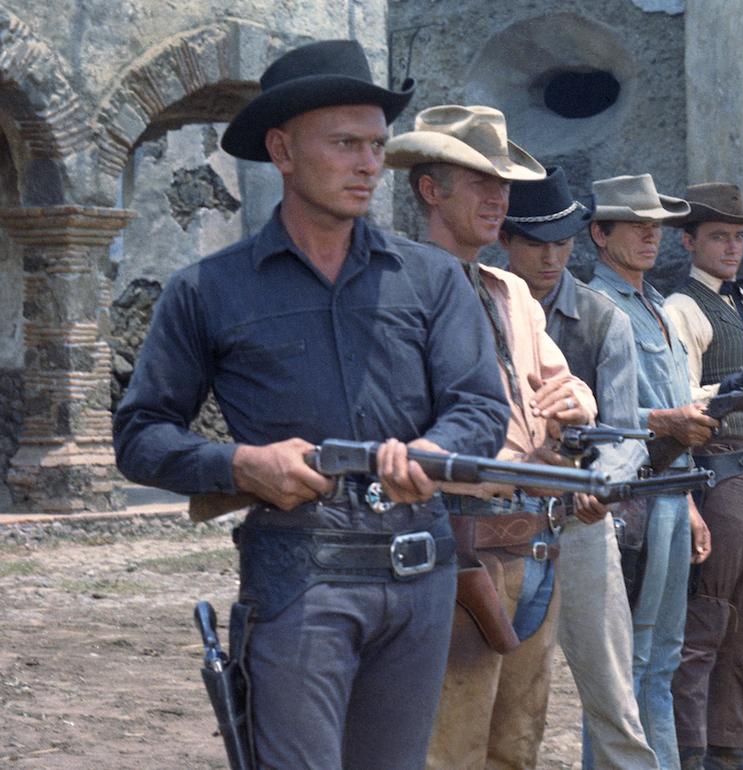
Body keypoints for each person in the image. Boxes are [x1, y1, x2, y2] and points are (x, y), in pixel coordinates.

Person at [112, 41, 510, 770]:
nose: (368, 165)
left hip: (418, 580)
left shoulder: (432, 280)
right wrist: (238, 463)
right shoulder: (208, 289)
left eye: (377, 146)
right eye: (346, 144)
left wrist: (430, 451)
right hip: (299, 580)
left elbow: (480, 407)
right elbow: (139, 436)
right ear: (283, 150)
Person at [385, 105, 598, 770]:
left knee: (517, 747)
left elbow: (569, 389)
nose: (498, 197)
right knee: (451, 748)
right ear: (430, 190)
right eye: (479, 180)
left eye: (502, 183)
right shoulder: (397, 285)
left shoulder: (511, 290)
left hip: (534, 539)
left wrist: (576, 404)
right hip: (455, 541)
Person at [499, 167, 661, 770]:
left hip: (580, 518)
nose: (551, 257)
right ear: (508, 242)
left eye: (563, 242)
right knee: (500, 690)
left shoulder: (602, 319)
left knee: (613, 690)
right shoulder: (480, 308)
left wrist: (602, 487)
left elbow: (625, 433)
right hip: (499, 522)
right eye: (537, 243)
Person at [587, 173, 713, 770]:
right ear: (599, 234)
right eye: (635, 225)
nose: (649, 235)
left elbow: (677, 407)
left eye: (656, 225)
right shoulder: (593, 307)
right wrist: (664, 422)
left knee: (662, 656)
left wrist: (688, 502)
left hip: (669, 492)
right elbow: (592, 410)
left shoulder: (659, 306)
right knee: (627, 663)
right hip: (626, 498)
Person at [664, 183, 743, 770]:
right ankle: (692, 750)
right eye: (718, 236)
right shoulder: (681, 309)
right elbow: (681, 401)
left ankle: (732, 745)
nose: (732, 247)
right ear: (689, 241)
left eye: (738, 236)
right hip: (718, 473)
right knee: (706, 619)